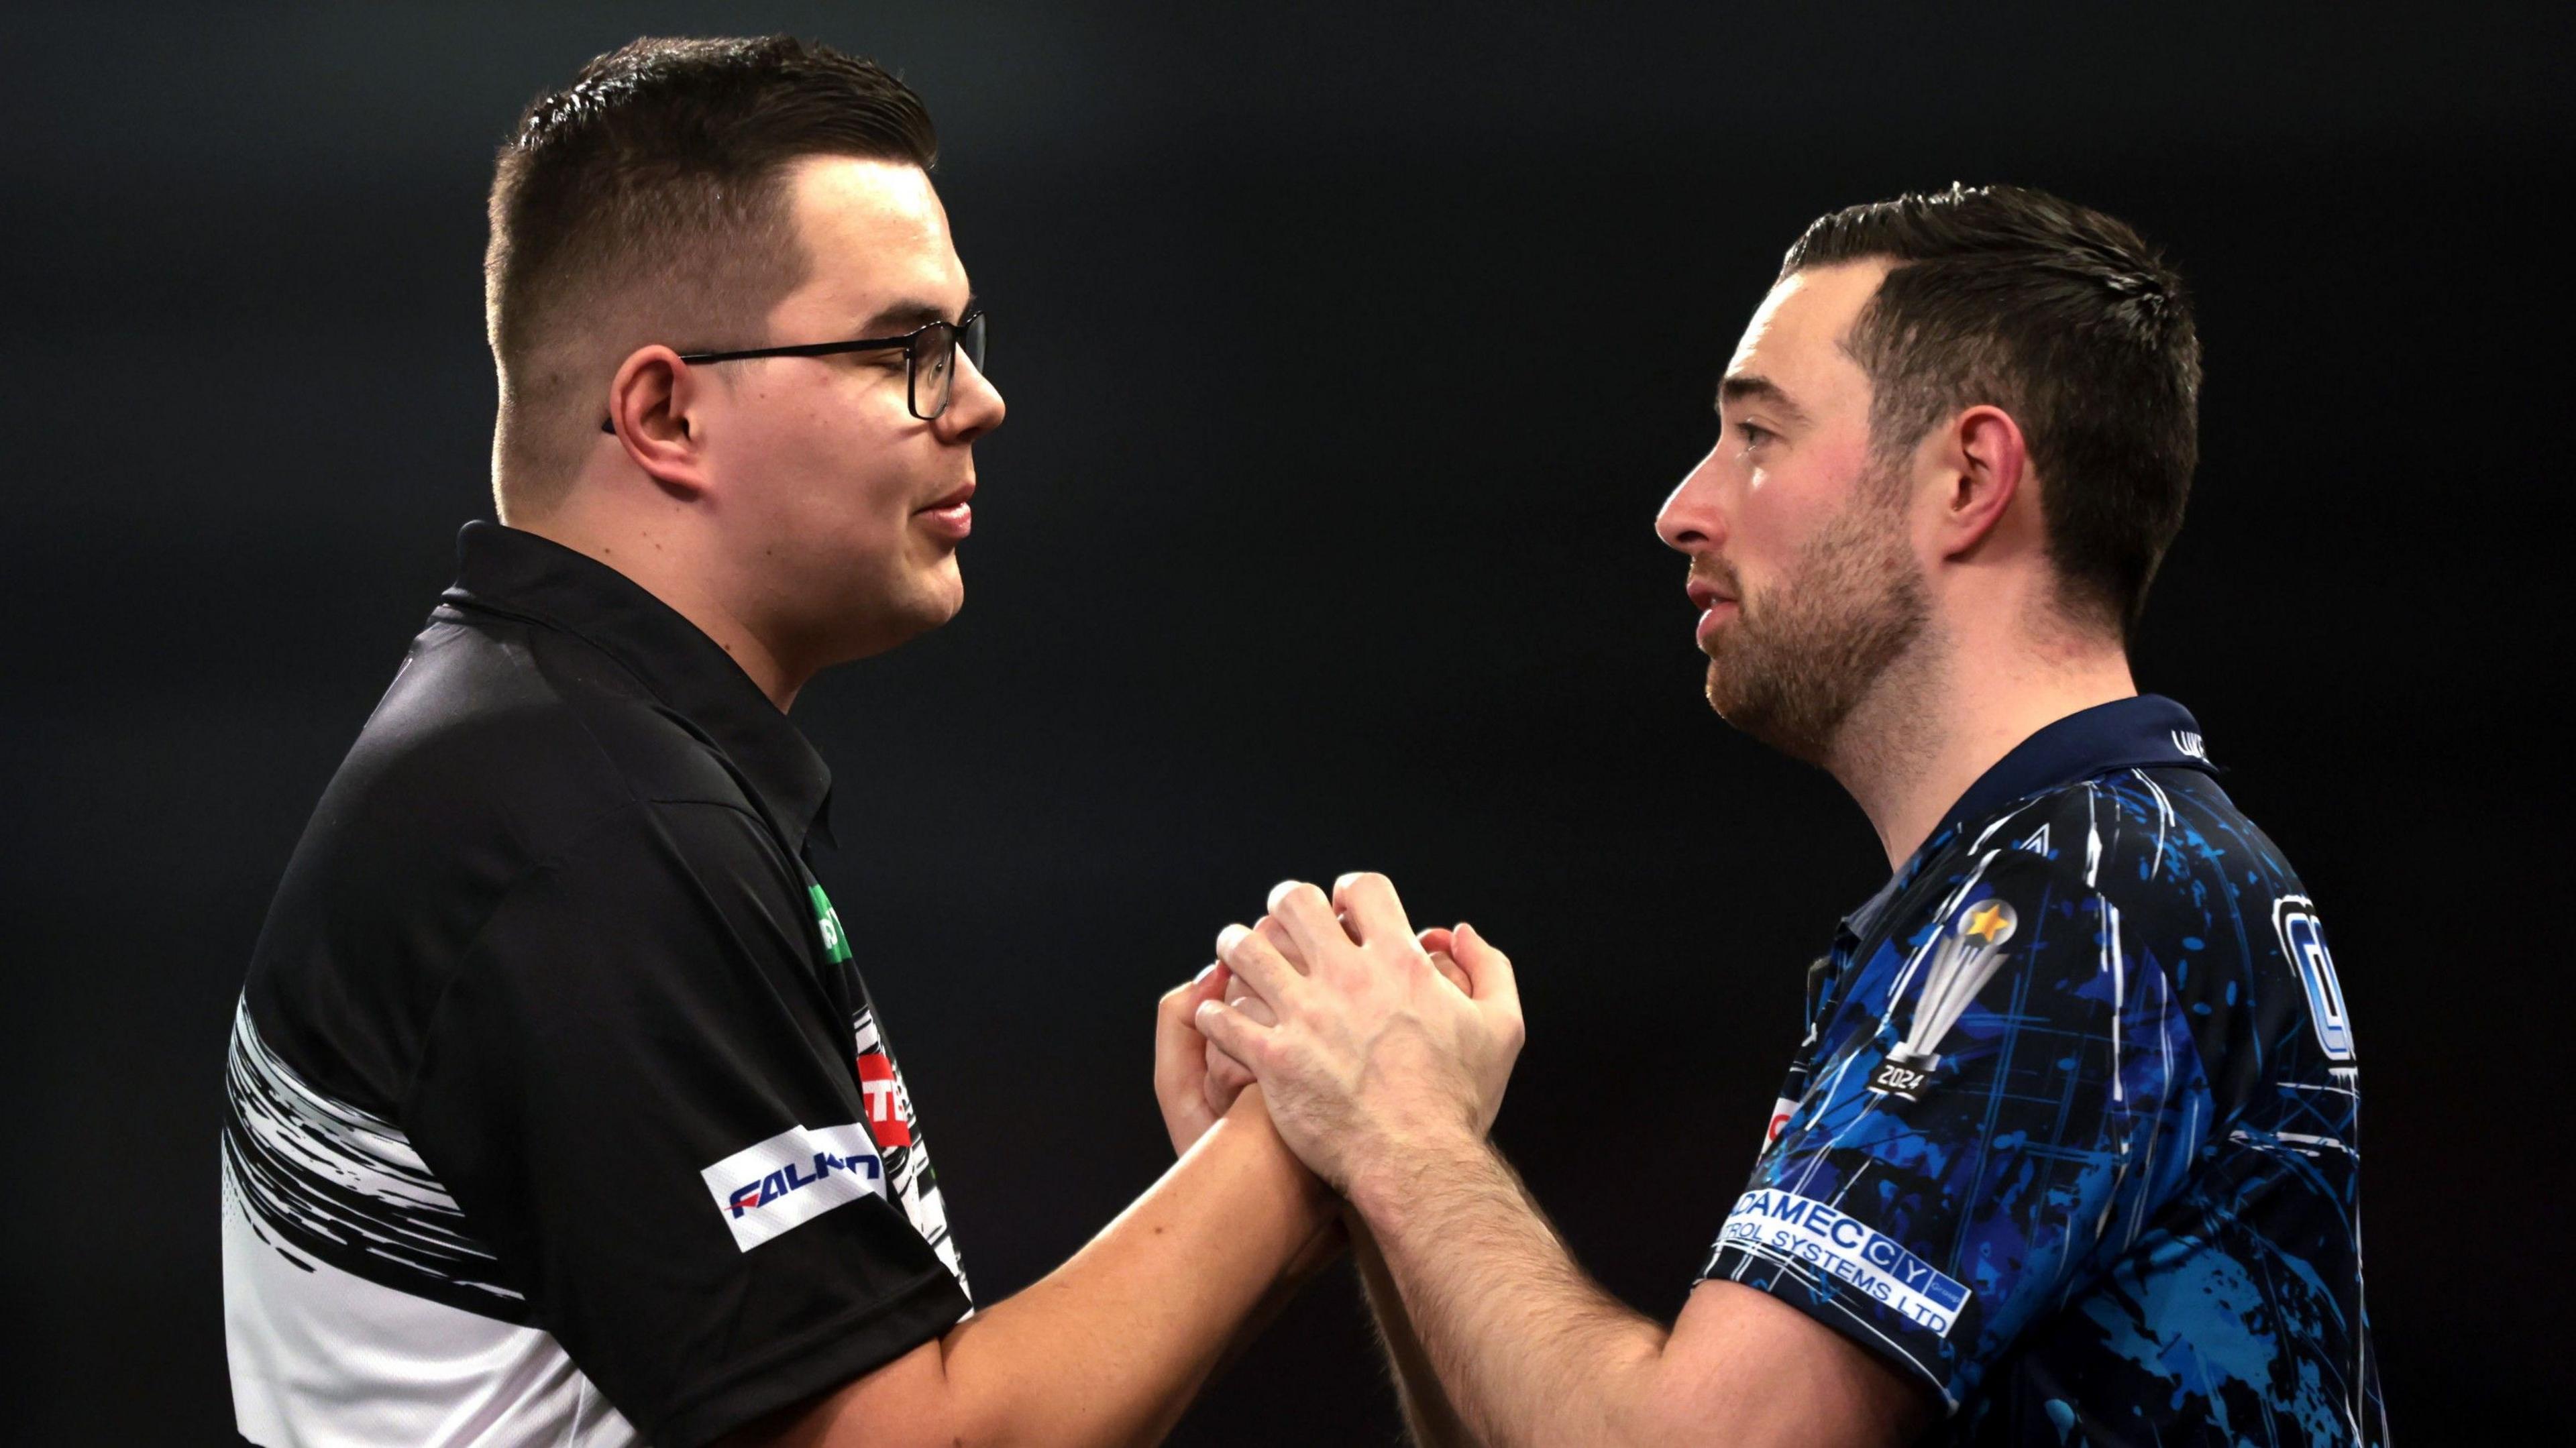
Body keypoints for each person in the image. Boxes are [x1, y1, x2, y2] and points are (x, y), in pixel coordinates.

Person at [220, 36, 1332, 1448]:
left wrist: (1250, 1178)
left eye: (963, 343)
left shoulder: (559, 758)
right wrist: (1324, 1124)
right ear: (667, 413)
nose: (977, 400)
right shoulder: (585, 829)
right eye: (903, 348)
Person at [1196, 185, 2389, 1445]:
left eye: (1757, 434)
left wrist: (1403, 1131)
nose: (1683, 508)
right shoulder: (2082, 877)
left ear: (1969, 477)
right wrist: (1374, 1151)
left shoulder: (2081, 901)